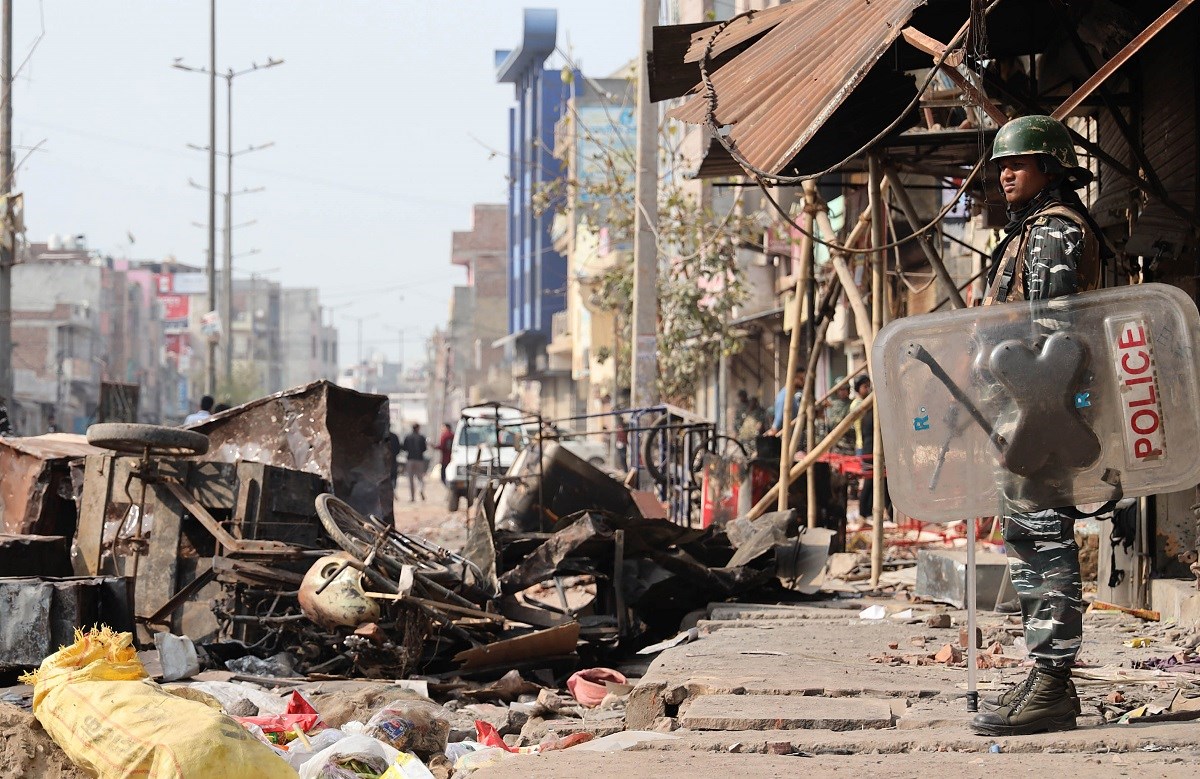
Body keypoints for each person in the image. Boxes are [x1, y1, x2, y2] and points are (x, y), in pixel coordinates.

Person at [970, 115, 1106, 737]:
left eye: (1018, 163)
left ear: (1050, 168)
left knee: (1044, 541)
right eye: (1001, 164)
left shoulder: (1053, 234)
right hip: (1033, 416)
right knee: (1032, 541)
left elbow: (1053, 344)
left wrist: (1031, 420)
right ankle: (1047, 677)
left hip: (1043, 416)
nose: (1005, 173)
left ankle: (1052, 685)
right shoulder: (1035, 229)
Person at [849, 375, 874, 517]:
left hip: (866, 444)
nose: (868, 389)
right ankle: (864, 512)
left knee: (869, 481)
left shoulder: (864, 402)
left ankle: (867, 511)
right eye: (865, 387)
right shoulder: (859, 404)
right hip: (863, 445)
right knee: (867, 481)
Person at [767, 370, 805, 436]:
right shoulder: (785, 395)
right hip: (787, 438)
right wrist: (775, 429)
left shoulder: (792, 395)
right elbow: (779, 418)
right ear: (794, 378)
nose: (803, 382)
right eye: (801, 379)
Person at [401, 423, 429, 502]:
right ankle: (421, 490)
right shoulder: (421, 437)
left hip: (410, 460)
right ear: (418, 428)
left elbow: (404, 448)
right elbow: (424, 448)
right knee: (420, 478)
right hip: (419, 460)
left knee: (411, 479)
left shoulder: (408, 437)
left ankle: (412, 497)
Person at [385, 428, 402, 495]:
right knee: (393, 476)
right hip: (393, 459)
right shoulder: (394, 436)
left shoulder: (382, 436)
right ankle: (393, 489)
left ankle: (388, 491)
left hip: (384, 461)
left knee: (386, 476)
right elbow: (398, 448)